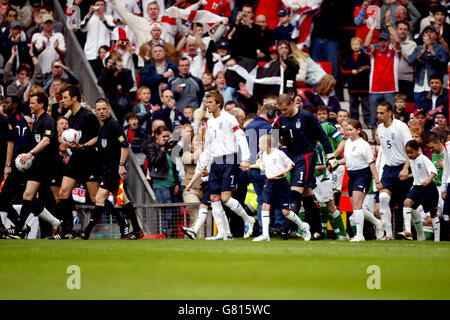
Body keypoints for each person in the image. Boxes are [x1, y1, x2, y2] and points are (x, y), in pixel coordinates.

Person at [272, 93, 336, 240]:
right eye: (280, 110)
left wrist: (330, 155)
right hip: (291, 157)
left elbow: (322, 136)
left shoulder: (306, 116)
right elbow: (273, 140)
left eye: (285, 109)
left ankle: (289, 228)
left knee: (294, 192)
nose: (283, 113)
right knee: (306, 194)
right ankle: (317, 230)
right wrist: (268, 152)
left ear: (292, 103)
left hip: (306, 156)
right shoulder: (280, 119)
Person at [80, 99, 143, 240]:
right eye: (99, 109)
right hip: (106, 169)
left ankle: (87, 231)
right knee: (122, 199)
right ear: (96, 111)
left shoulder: (114, 125)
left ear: (108, 109)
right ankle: (136, 229)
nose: (101, 112)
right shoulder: (103, 126)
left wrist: (121, 165)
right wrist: (83, 146)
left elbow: (125, 146)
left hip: (113, 169)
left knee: (99, 197)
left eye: (104, 109)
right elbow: (98, 138)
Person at [1, 92, 61, 239]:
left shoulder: (48, 120)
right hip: (37, 165)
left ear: (41, 104)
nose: (29, 105)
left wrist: (30, 154)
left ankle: (61, 225)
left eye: (32, 102)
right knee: (28, 195)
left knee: (57, 197)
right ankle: (22, 228)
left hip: (48, 166)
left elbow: (46, 141)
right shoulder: (37, 120)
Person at [200, 89, 255, 239]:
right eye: (206, 102)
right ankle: (223, 233)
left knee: (225, 198)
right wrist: (204, 165)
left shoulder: (229, 118)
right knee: (214, 198)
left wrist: (246, 158)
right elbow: (208, 146)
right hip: (215, 162)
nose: (207, 105)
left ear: (219, 103)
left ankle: (247, 219)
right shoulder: (209, 122)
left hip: (229, 160)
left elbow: (241, 137)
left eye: (210, 102)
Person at [48, 86, 101, 239]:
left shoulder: (88, 116)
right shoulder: (70, 118)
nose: (62, 101)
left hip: (90, 159)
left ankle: (121, 221)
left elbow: (99, 136)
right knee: (63, 192)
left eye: (65, 97)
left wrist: (83, 145)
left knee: (96, 198)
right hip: (76, 159)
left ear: (74, 98)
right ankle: (66, 229)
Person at [249, 134, 310, 242]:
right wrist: (249, 166)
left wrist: (285, 171)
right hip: (269, 183)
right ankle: (265, 235)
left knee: (286, 212)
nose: (258, 145)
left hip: (281, 184)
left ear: (266, 144)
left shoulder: (279, 153)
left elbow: (291, 164)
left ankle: (303, 227)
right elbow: (262, 166)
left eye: (260, 143)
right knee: (265, 206)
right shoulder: (263, 155)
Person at [342, 119, 385, 242]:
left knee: (356, 206)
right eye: (347, 130)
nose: (348, 132)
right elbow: (347, 159)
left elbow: (371, 164)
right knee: (357, 206)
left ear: (359, 130)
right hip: (352, 175)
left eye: (351, 130)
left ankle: (360, 235)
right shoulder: (348, 143)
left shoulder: (364, 144)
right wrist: (336, 162)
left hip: (362, 175)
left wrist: (377, 181)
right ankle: (378, 223)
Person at [376, 100, 413, 240]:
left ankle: (413, 232)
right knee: (383, 198)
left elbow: (411, 149)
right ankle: (389, 234)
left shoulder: (401, 126)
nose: (379, 115)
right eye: (378, 113)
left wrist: (405, 168)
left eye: (382, 113)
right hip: (389, 169)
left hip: (403, 167)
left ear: (390, 113)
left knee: (408, 204)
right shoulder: (379, 129)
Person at [142, 125, 180, 238]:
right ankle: (164, 233)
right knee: (165, 212)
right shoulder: (151, 147)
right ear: (157, 136)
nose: (166, 139)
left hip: (172, 184)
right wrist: (162, 149)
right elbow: (154, 161)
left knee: (174, 212)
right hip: (161, 184)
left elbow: (174, 166)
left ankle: (168, 233)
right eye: (164, 136)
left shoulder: (170, 147)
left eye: (168, 136)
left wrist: (177, 183)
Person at [364, 16, 401, 129]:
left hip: (390, 90)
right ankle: (375, 138)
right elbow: (366, 44)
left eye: (385, 40)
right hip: (374, 89)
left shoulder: (394, 52)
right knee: (375, 118)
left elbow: (398, 41)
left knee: (391, 118)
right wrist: (372, 28)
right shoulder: (374, 53)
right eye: (380, 41)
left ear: (389, 42)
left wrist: (389, 25)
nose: (382, 43)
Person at [401, 139, 439, 241]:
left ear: (417, 150)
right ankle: (408, 231)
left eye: (411, 152)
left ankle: (437, 240)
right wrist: (408, 176)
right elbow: (418, 173)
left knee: (433, 213)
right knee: (407, 203)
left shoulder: (424, 159)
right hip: (417, 188)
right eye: (407, 153)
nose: (409, 155)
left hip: (428, 188)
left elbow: (433, 172)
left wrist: (427, 180)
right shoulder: (412, 160)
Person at [408, 25, 448, 109]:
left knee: (433, 112)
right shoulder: (418, 48)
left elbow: (443, 63)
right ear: (423, 36)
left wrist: (431, 49)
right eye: (426, 32)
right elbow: (410, 61)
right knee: (418, 113)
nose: (429, 34)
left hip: (434, 86)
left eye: (431, 32)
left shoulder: (441, 49)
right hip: (419, 85)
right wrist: (422, 52)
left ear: (436, 35)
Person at [97, 50, 134, 125]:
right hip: (111, 100)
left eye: (117, 61)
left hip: (123, 100)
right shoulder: (106, 71)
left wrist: (121, 72)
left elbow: (130, 85)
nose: (115, 63)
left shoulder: (126, 71)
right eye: (113, 61)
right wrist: (108, 68)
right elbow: (100, 83)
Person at [341, 37, 370, 127]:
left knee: (365, 104)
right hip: (352, 85)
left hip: (363, 85)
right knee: (353, 105)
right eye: (353, 44)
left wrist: (362, 69)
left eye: (357, 44)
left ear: (361, 46)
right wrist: (351, 71)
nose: (355, 46)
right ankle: (354, 122)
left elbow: (369, 67)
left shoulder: (365, 56)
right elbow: (343, 69)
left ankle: (367, 122)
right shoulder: (348, 57)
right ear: (350, 46)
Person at [396, 21, 417, 103]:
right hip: (393, 79)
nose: (402, 31)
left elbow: (410, 59)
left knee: (408, 104)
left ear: (408, 31)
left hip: (407, 79)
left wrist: (399, 46)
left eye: (405, 29)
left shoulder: (412, 44)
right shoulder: (390, 43)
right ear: (396, 30)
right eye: (400, 29)